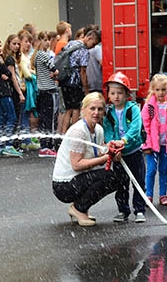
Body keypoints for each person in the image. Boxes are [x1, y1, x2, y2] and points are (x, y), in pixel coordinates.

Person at [52, 92, 125, 227]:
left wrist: (112, 148)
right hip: (64, 186)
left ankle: (81, 207)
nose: (96, 112)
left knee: (116, 177)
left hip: (77, 179)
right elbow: (76, 165)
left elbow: (99, 150)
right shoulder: (79, 131)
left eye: (100, 109)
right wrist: (105, 157)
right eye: (92, 108)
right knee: (109, 178)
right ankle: (79, 209)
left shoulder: (98, 129)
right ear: (83, 110)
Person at [102, 72, 146, 223]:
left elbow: (135, 126)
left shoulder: (132, 109)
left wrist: (124, 140)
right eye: (112, 93)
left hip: (134, 151)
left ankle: (140, 210)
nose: (116, 96)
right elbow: (107, 130)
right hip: (118, 155)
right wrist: (112, 144)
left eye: (120, 93)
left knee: (138, 181)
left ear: (127, 94)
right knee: (121, 183)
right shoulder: (109, 113)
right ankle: (123, 210)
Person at [141, 74, 167, 206]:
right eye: (157, 90)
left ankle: (163, 195)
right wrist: (146, 144)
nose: (160, 92)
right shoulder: (149, 107)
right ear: (153, 90)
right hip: (152, 145)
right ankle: (148, 195)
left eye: (163, 89)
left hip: (166, 144)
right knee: (151, 170)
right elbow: (144, 127)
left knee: (164, 169)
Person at [59, 28, 101, 135]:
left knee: (68, 110)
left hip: (65, 81)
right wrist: (86, 89)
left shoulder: (72, 43)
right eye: (93, 43)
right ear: (89, 38)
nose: (92, 46)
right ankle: (74, 135)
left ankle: (63, 135)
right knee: (76, 109)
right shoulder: (84, 50)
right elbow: (83, 72)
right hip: (74, 83)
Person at [0, 39, 22, 157]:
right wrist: (6, 74)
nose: (0, 48)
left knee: (2, 119)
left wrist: (4, 74)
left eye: (0, 46)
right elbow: (9, 73)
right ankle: (8, 144)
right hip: (4, 92)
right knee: (12, 117)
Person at [32, 31, 59, 157]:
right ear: (41, 40)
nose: (48, 42)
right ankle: (49, 145)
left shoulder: (37, 55)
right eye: (45, 39)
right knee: (50, 120)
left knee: (44, 119)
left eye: (49, 40)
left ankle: (44, 145)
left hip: (42, 90)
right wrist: (54, 73)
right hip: (49, 90)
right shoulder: (43, 55)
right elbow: (55, 70)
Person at [18, 30, 39, 150]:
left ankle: (26, 138)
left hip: (27, 87)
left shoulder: (26, 56)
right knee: (24, 114)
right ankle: (25, 140)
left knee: (26, 114)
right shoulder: (21, 56)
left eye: (30, 42)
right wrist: (33, 73)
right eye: (26, 41)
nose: (28, 44)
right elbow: (27, 73)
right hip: (24, 87)